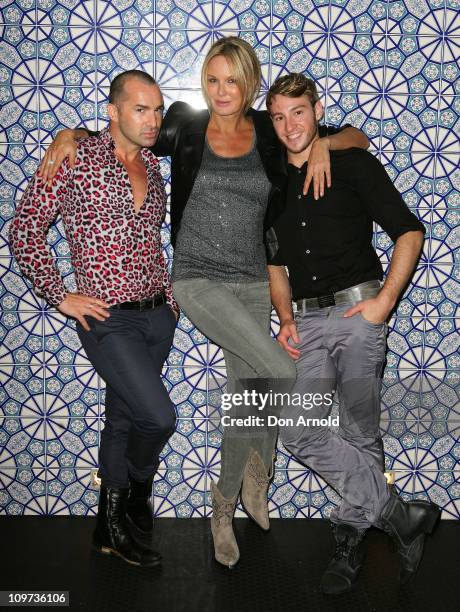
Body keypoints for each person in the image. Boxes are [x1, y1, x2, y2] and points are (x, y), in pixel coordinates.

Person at [38, 36, 369, 568]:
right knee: (279, 366)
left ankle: (244, 488)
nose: (220, 91)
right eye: (211, 80)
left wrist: (329, 143)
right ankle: (233, 493)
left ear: (249, 83)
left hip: (254, 280)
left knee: (248, 392)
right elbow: (123, 127)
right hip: (195, 280)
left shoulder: (267, 129)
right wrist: (70, 133)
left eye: (231, 81)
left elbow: (355, 136)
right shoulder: (184, 126)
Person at [266, 73, 441, 594]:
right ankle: (400, 515)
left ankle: (349, 542)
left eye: (298, 112)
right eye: (278, 116)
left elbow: (409, 230)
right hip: (306, 320)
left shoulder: (353, 162)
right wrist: (287, 318)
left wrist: (384, 302)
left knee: (361, 431)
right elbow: (274, 262)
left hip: (359, 311)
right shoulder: (272, 183)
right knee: (299, 430)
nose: (289, 125)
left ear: (317, 111)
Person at [9, 70, 179, 567]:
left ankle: (107, 528)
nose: (152, 120)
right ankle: (134, 494)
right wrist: (59, 294)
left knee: (123, 419)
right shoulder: (74, 159)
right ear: (113, 111)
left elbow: (149, 242)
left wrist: (169, 301)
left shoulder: (154, 164)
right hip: (107, 320)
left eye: (157, 109)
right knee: (158, 416)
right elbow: (25, 231)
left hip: (157, 317)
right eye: (140, 109)